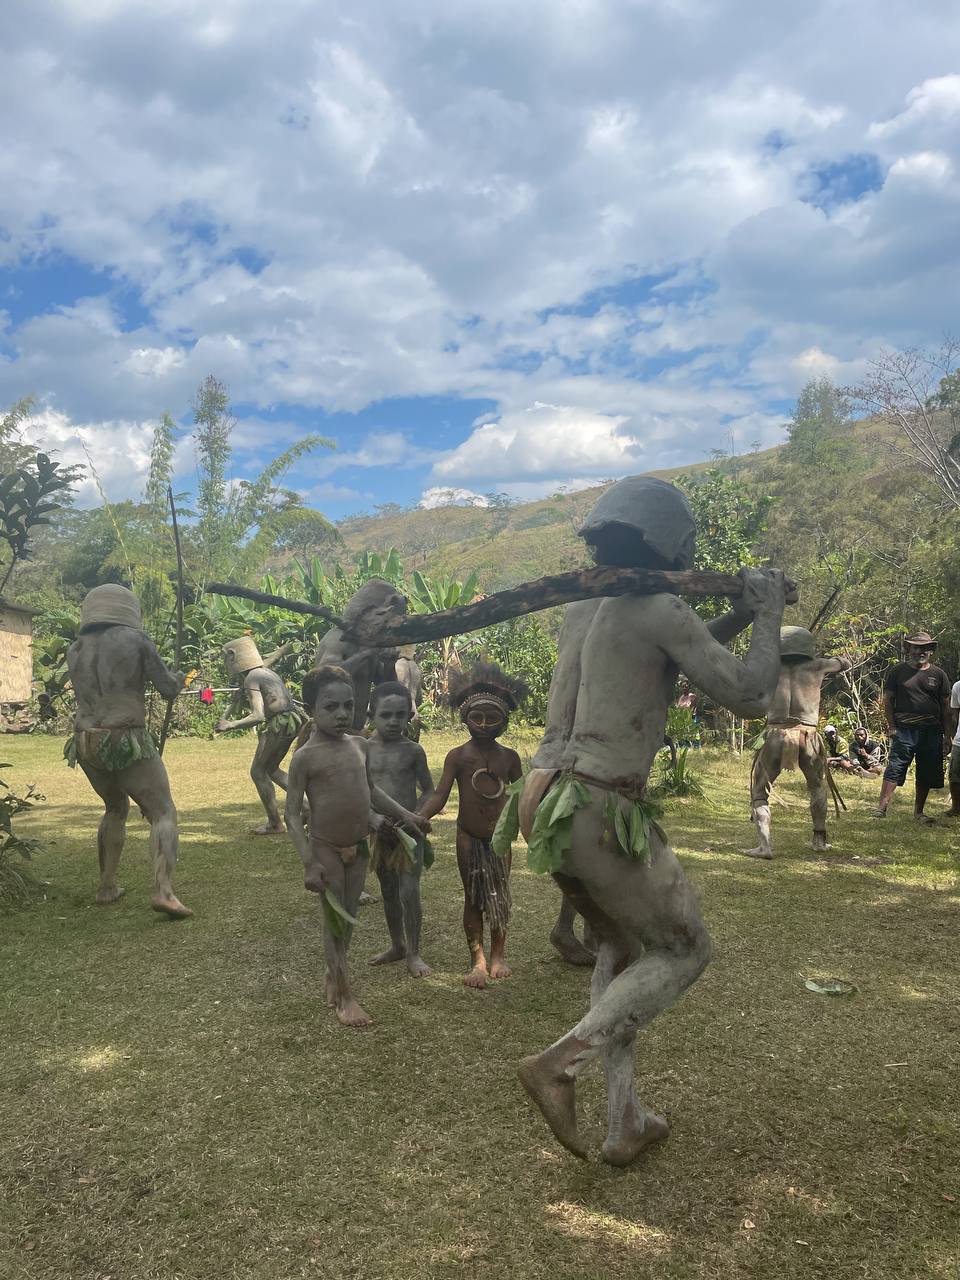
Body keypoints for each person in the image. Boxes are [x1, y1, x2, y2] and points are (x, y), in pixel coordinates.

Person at [495, 476, 786, 1164]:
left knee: (620, 951)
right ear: (671, 544)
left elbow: (670, 660)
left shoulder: (586, 608)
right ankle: (559, 1064)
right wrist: (769, 612)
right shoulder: (659, 606)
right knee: (687, 949)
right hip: (602, 800)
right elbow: (746, 692)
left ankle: (624, 1120)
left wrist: (737, 619)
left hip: (546, 798)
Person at [284, 666, 428, 1027]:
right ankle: (345, 997)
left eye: (348, 706)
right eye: (331, 707)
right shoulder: (305, 757)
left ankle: (334, 975)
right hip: (326, 849)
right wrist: (308, 863)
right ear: (310, 707)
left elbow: (372, 793)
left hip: (359, 846)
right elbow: (290, 816)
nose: (342, 714)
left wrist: (408, 817)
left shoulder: (359, 745)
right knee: (334, 922)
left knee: (348, 919)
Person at [64, 584, 192, 918]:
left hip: (84, 739)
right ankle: (163, 892)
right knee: (163, 810)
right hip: (124, 735)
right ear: (127, 609)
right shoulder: (135, 640)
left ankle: (107, 886)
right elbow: (167, 688)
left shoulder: (75, 649)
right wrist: (176, 679)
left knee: (115, 807)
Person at [416, 662, 526, 989]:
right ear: (464, 719)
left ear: (505, 722)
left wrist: (540, 824)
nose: (483, 724)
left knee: (499, 895)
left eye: (492, 718)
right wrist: (421, 816)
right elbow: (439, 794)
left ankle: (498, 957)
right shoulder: (458, 756)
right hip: (468, 837)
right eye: (476, 717)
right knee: (473, 897)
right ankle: (477, 960)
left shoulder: (509, 758)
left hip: (500, 839)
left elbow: (524, 796)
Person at [745, 629, 850, 858]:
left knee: (760, 791)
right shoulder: (818, 665)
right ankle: (819, 840)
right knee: (816, 786)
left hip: (776, 734)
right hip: (807, 736)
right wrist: (841, 658)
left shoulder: (769, 668)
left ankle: (765, 846)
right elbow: (844, 663)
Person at [365, 681, 436, 977]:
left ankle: (414, 952)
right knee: (388, 890)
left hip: (408, 833)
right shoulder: (363, 749)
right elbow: (359, 791)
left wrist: (416, 816)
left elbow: (428, 790)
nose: (394, 721)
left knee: (409, 890)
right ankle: (397, 945)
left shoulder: (413, 751)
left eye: (400, 714)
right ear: (373, 715)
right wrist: (372, 819)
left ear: (409, 715)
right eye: (386, 715)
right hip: (380, 832)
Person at [214, 637, 304, 834]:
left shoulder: (252, 678)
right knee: (268, 769)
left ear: (233, 657)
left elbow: (258, 715)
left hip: (280, 723)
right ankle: (304, 809)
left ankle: (278, 822)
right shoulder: (264, 672)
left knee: (260, 771)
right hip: (289, 721)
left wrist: (230, 725)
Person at [872, 633, 951, 824]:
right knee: (895, 767)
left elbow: (946, 707)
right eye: (916, 648)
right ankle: (881, 808)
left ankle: (919, 812)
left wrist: (948, 735)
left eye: (924, 648)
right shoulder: (898, 671)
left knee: (925, 770)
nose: (920, 651)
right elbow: (888, 701)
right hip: (904, 729)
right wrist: (891, 727)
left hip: (931, 731)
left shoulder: (939, 675)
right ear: (909, 649)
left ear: (930, 651)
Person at [946, 679, 960, 817]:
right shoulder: (958, 686)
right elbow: (954, 714)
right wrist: (950, 734)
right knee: (954, 775)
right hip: (959, 741)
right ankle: (956, 807)